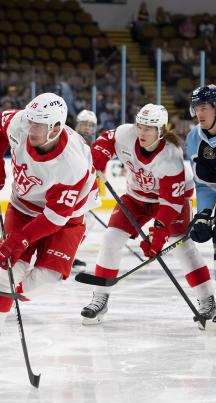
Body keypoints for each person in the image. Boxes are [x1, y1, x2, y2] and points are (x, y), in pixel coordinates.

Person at [0, 93, 99, 368]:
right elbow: (1, 124)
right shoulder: (21, 123)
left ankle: (5, 296)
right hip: (24, 205)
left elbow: (54, 217)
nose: (31, 129)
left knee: (48, 278)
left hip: (67, 216)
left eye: (39, 125)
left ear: (56, 127)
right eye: (31, 121)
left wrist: (19, 240)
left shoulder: (71, 163)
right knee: (6, 270)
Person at [80, 104, 214, 328]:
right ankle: (100, 298)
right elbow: (105, 141)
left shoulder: (170, 157)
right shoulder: (125, 134)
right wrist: (98, 161)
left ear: (160, 131)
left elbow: (169, 205)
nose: (141, 132)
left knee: (181, 245)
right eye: (140, 126)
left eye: (148, 128)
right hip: (136, 198)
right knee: (111, 239)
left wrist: (157, 237)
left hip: (173, 200)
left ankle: (207, 300)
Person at [186, 86, 216, 310]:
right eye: (196, 109)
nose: (199, 114)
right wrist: (204, 214)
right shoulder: (194, 137)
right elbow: (203, 182)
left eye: (204, 108)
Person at [72, 109, 100, 273]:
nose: (87, 128)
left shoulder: (93, 146)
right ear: (77, 125)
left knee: (88, 221)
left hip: (81, 193)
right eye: (84, 124)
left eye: (90, 125)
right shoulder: (71, 140)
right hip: (68, 190)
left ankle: (69, 253)